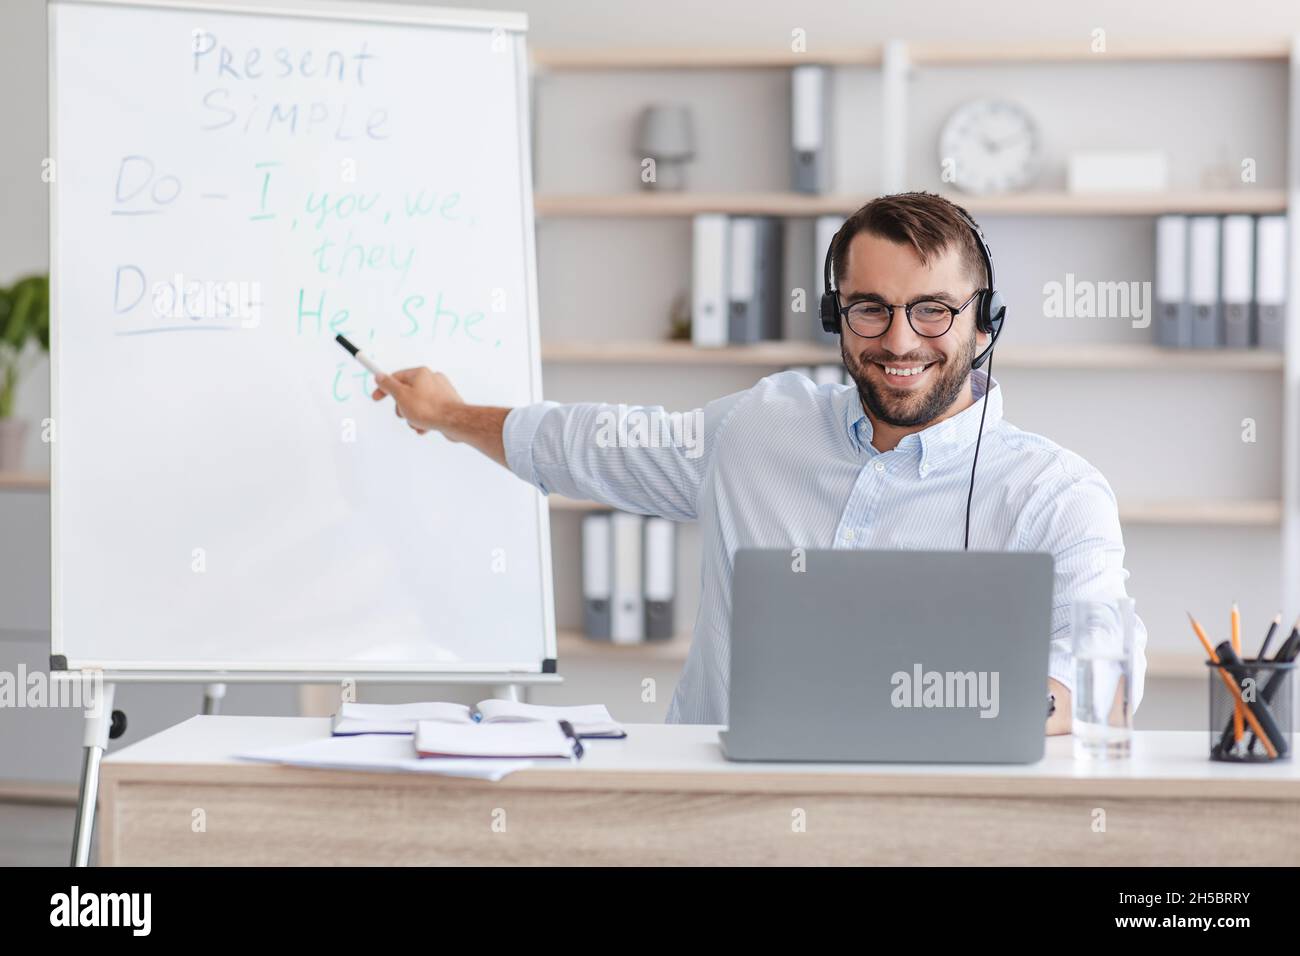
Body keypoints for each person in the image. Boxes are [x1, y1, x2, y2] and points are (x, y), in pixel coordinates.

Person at [371, 191, 1148, 733]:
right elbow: (597, 443)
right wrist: (447, 414)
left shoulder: (1054, 494)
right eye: (870, 309)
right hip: (715, 813)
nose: (901, 340)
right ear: (834, 318)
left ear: (985, 325)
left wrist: (933, 708)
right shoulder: (761, 427)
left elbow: (1100, 677)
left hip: (921, 820)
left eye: (934, 310)